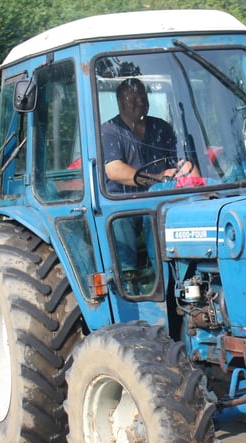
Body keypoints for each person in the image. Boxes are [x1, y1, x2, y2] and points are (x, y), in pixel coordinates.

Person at [100, 77, 197, 294]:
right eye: (132, 98)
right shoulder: (109, 131)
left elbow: (180, 160)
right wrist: (157, 177)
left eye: (142, 97)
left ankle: (181, 280)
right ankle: (129, 280)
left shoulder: (160, 127)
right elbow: (114, 170)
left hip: (161, 198)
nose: (139, 102)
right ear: (120, 102)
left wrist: (195, 180)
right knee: (126, 221)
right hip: (125, 201)